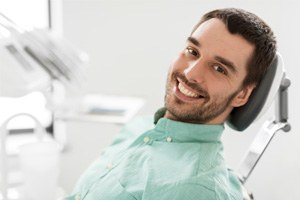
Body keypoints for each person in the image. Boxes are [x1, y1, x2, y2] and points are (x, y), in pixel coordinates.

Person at [64, 8, 276, 200]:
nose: (190, 73)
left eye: (219, 69)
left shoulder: (196, 189)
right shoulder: (138, 128)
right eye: (193, 51)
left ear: (242, 95)